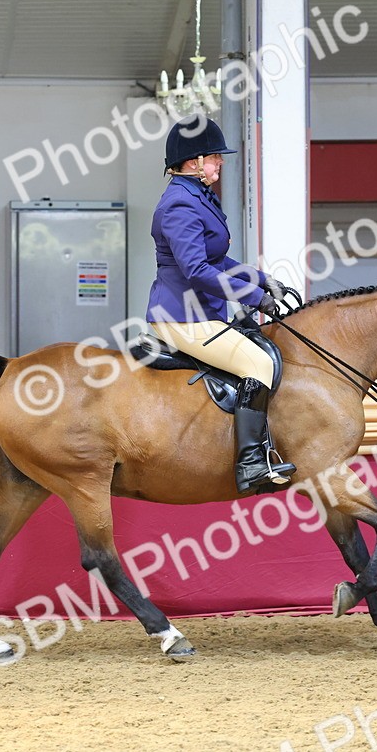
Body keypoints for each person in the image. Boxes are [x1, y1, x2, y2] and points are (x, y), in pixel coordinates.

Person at [146, 115, 296, 495]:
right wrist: (253, 297)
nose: (221, 162)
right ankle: (250, 464)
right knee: (258, 363)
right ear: (194, 161)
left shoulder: (197, 196)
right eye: (215, 156)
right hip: (182, 317)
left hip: (205, 313)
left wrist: (262, 279)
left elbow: (216, 260)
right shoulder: (180, 204)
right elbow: (197, 270)